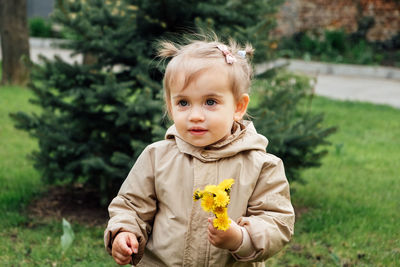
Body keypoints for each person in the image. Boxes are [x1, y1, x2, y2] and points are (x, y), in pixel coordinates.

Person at [104, 35, 295, 266]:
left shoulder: (262, 165)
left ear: (238, 107)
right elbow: (131, 205)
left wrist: (240, 238)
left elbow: (277, 222)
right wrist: (124, 232)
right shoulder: (157, 156)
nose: (195, 115)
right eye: (183, 102)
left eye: (210, 102)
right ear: (171, 106)